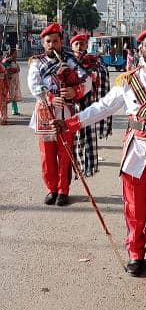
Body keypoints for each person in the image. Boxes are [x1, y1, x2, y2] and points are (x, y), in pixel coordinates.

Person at [52, 21, 146, 278]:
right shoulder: (128, 81)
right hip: (135, 157)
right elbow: (102, 107)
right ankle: (135, 254)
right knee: (134, 211)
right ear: (140, 49)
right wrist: (70, 123)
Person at [28, 23, 92, 206]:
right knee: (47, 156)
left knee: (65, 155)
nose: (51, 45)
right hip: (45, 114)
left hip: (66, 113)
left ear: (60, 42)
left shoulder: (71, 60)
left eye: (55, 41)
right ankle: (52, 189)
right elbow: (34, 86)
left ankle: (64, 190)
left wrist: (75, 91)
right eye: (48, 41)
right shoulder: (36, 62)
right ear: (43, 43)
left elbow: (87, 81)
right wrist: (49, 97)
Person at [70, 32, 99, 177]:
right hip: (72, 104)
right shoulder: (67, 61)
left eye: (82, 44)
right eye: (77, 44)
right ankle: (77, 168)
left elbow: (94, 79)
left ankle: (89, 166)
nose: (80, 46)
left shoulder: (92, 61)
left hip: (88, 102)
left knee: (89, 135)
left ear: (87, 45)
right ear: (72, 46)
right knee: (75, 136)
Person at [2, 48, 22, 115]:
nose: (16, 54)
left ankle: (15, 110)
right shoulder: (7, 60)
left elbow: (18, 69)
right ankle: (4, 110)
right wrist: (14, 70)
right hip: (10, 80)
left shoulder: (14, 60)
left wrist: (16, 69)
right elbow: (6, 70)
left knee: (14, 95)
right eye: (15, 53)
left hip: (15, 80)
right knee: (9, 96)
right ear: (11, 53)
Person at [0, 51, 9, 125]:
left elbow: (6, 76)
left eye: (1, 56)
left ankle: (3, 118)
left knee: (3, 102)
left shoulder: (3, 65)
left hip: (3, 85)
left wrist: (7, 85)